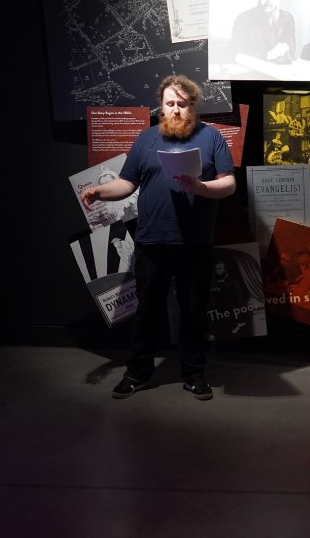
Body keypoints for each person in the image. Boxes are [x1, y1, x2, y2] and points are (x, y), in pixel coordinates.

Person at [80, 74, 236, 401]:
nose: (176, 110)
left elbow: (229, 184)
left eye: (182, 104)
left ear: (192, 106)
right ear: (161, 107)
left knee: (193, 312)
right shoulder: (147, 139)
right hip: (152, 241)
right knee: (148, 310)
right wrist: (99, 191)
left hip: (194, 242)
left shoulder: (212, 138)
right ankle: (137, 372)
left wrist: (200, 188)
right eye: (169, 104)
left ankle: (194, 374)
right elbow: (127, 183)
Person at [230, 0, 297, 65]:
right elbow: (234, 54)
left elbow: (291, 55)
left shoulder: (287, 19)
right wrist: (267, 55)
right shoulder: (243, 19)